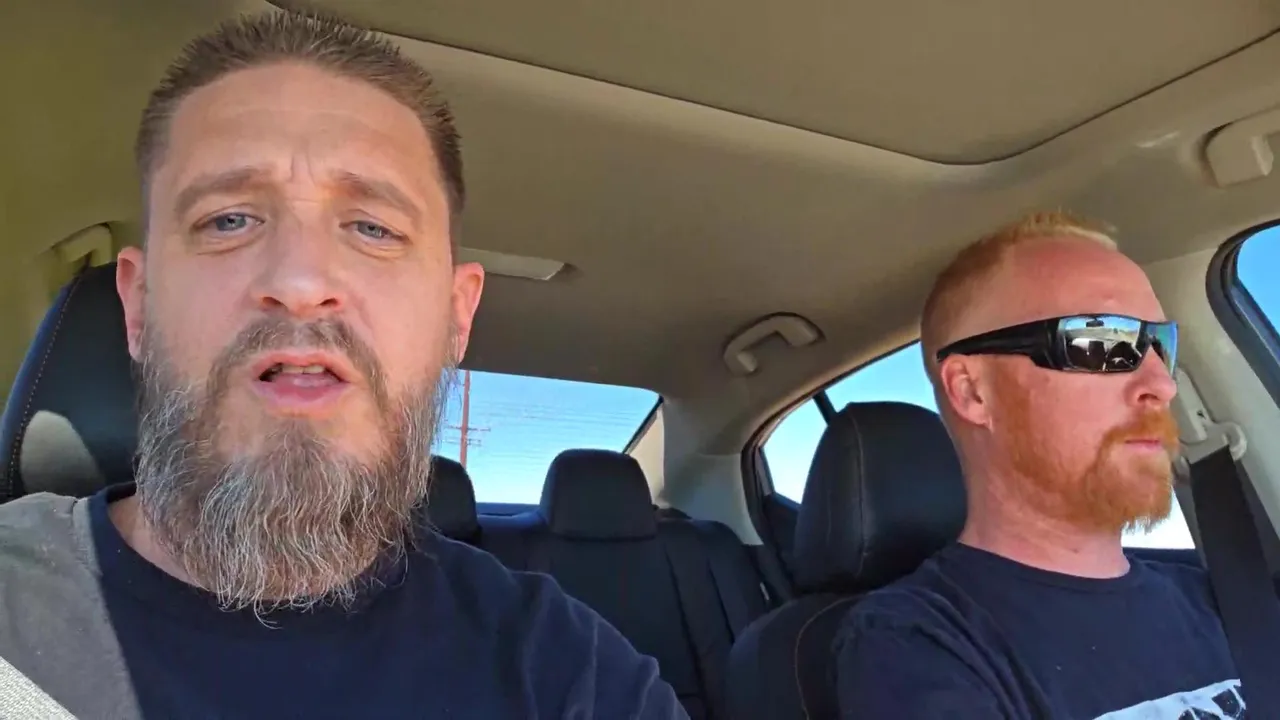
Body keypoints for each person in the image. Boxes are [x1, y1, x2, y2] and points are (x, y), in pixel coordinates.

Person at [0, 10, 683, 719]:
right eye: (229, 219)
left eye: (373, 228)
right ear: (138, 306)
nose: (300, 282)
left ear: (457, 317)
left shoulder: (572, 676)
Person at [835, 211, 1246, 718]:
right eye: (1101, 343)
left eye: (1160, 345)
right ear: (973, 392)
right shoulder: (914, 645)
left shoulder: (1225, 595)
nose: (1162, 384)